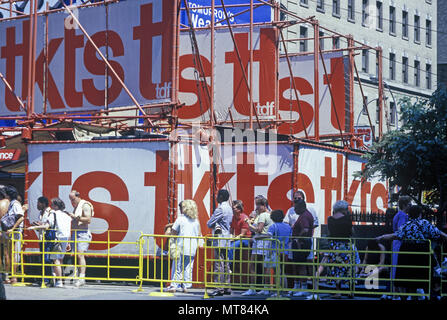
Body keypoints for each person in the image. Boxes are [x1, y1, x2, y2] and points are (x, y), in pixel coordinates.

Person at [377, 205, 447, 300]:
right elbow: (438, 233)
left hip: (407, 257)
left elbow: (395, 235)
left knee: (410, 281)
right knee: (427, 276)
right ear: (420, 214)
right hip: (422, 257)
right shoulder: (425, 223)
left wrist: (381, 237)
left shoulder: (406, 225)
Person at [310, 200, 360, 300]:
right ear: (343, 209)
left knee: (336, 268)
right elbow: (352, 232)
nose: (347, 210)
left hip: (335, 245)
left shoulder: (330, 219)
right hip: (346, 245)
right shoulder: (347, 219)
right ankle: (351, 291)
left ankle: (338, 292)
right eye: (346, 209)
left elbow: (329, 232)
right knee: (349, 267)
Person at [28, 198, 72, 288]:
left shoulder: (53, 214)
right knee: (60, 260)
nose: (51, 206)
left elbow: (47, 226)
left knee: (55, 260)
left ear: (55, 206)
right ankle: (59, 280)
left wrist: (33, 228)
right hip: (65, 238)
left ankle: (58, 281)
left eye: (53, 204)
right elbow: (69, 229)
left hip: (56, 238)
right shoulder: (67, 215)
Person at [283, 190, 319, 293]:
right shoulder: (291, 210)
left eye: (299, 198)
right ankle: (297, 285)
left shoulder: (309, 210)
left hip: (305, 241)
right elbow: (286, 223)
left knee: (308, 264)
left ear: (303, 199)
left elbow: (312, 225)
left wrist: (301, 236)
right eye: (295, 198)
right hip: (294, 241)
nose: (297, 200)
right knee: (295, 263)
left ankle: (312, 287)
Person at [166, 199, 202, 293]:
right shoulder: (196, 221)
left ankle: (174, 286)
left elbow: (174, 232)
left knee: (177, 267)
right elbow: (199, 234)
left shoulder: (180, 219)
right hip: (192, 247)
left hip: (181, 246)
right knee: (188, 267)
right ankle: (186, 286)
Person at [241, 195, 273, 296]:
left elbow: (258, 229)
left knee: (253, 264)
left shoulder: (263, 215)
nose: (256, 208)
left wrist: (249, 225)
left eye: (258, 206)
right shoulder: (268, 215)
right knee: (265, 265)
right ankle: (266, 288)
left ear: (263, 205)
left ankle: (252, 288)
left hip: (261, 241)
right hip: (265, 241)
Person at [207, 189, 233, 296]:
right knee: (226, 263)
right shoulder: (229, 208)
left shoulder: (220, 209)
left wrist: (214, 223)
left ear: (221, 197)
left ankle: (219, 288)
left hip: (219, 239)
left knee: (219, 263)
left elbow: (209, 223)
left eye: (218, 196)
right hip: (227, 238)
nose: (216, 198)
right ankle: (227, 286)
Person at [66, 190, 94, 287]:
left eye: (73, 199)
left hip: (82, 233)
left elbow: (88, 219)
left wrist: (76, 217)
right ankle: (79, 276)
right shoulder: (77, 206)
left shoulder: (85, 205)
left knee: (80, 255)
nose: (72, 202)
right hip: (76, 233)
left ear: (78, 196)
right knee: (77, 256)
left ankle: (82, 278)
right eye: (70, 200)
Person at [289, 195, 315, 297]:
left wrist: (298, 239)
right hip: (302, 243)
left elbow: (305, 229)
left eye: (296, 208)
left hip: (302, 244)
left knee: (301, 265)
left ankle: (304, 288)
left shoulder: (304, 216)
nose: (294, 210)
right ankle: (300, 287)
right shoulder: (305, 214)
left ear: (301, 207)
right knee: (299, 265)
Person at [1, 186, 25, 285]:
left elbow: (21, 217)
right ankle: (10, 276)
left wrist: (13, 228)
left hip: (14, 233)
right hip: (11, 233)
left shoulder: (15, 204)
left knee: (13, 254)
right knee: (9, 254)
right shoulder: (11, 204)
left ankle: (13, 276)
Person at [267, 209, 291, 297]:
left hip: (275, 251)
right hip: (285, 251)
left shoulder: (273, 226)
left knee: (277, 271)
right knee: (283, 271)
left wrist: (258, 237)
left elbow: (269, 236)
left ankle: (278, 291)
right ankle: (285, 290)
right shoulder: (288, 227)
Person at [390, 195, 411, 298]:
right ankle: (397, 293)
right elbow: (401, 231)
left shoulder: (399, 215)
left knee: (396, 266)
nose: (410, 206)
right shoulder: (402, 216)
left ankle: (395, 293)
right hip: (400, 243)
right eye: (409, 204)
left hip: (397, 243)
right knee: (398, 266)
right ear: (404, 205)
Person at [29, 196, 52, 285]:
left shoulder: (50, 212)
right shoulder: (40, 213)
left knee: (47, 259)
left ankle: (47, 279)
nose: (37, 205)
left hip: (49, 238)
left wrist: (38, 225)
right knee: (42, 259)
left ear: (43, 204)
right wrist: (37, 225)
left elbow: (49, 225)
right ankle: (44, 278)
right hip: (42, 238)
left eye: (38, 203)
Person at [228, 200, 251, 265]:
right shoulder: (233, 217)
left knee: (231, 247)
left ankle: (229, 265)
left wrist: (232, 239)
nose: (232, 209)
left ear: (239, 209)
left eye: (234, 208)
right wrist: (230, 237)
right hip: (238, 238)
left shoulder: (244, 218)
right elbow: (231, 230)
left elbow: (242, 234)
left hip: (245, 239)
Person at [0, 186, 10, 278]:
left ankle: (1, 273)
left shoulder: (1, 203)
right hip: (8, 230)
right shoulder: (9, 203)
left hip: (1, 229)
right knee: (7, 252)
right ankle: (7, 274)